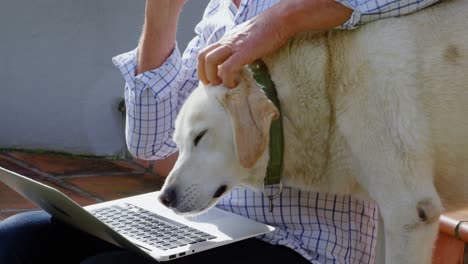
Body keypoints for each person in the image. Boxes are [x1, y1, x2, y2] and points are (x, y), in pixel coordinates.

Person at [0, 0, 439, 263]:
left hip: (303, 247)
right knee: (19, 239)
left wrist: (285, 19)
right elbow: (149, 144)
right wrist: (161, 16)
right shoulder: (220, 11)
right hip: (208, 227)